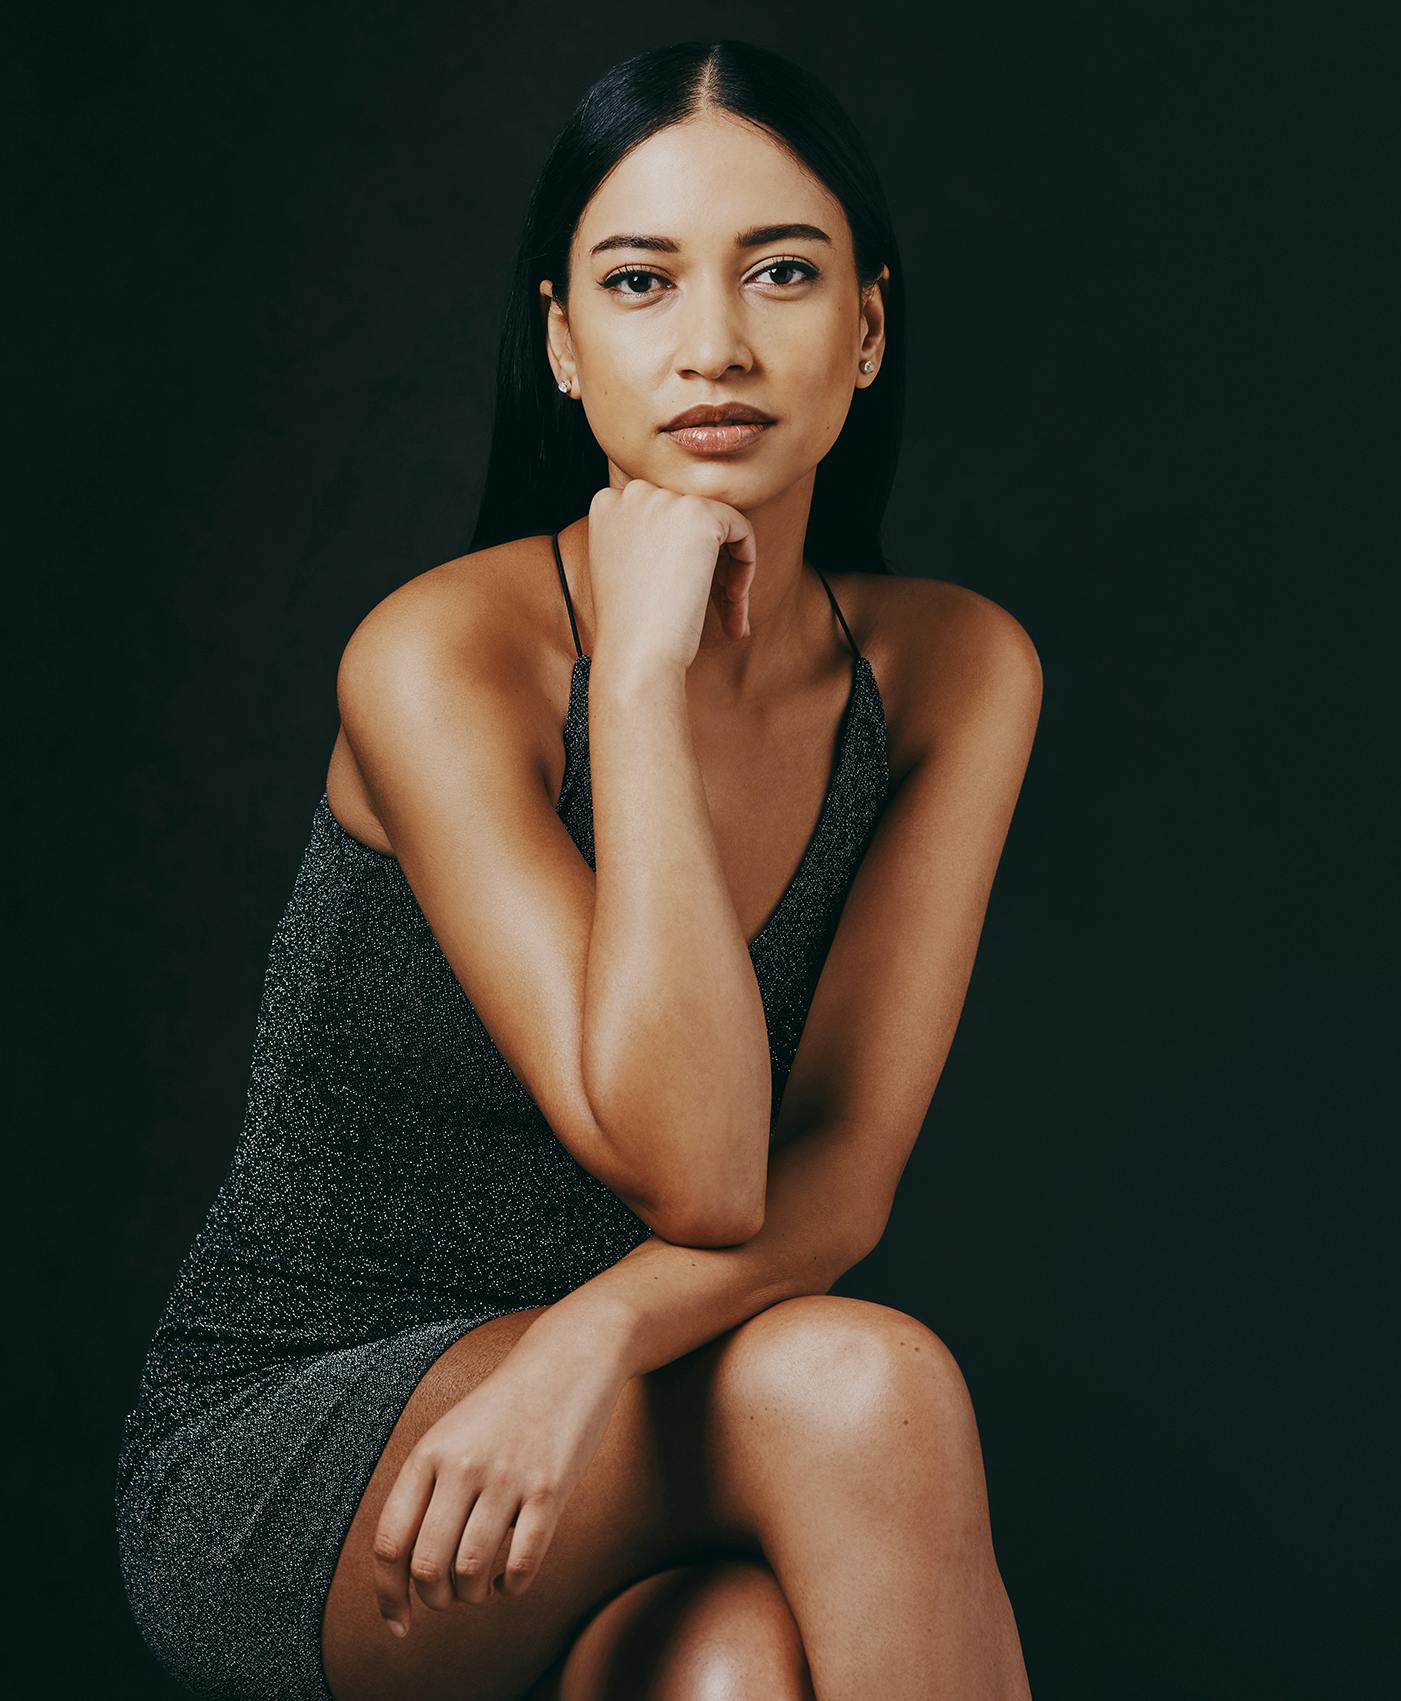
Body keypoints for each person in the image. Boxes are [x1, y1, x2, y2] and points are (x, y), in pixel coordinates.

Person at [115, 38, 1041, 1701]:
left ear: (870, 328)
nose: (715, 346)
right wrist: (635, 685)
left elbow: (833, 1177)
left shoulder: (953, 674)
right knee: (861, 1387)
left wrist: (585, 1343)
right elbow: (702, 1170)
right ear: (560, 341)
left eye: (782, 272)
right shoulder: (441, 658)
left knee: (735, 1672)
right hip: (312, 1448)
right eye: (638, 280)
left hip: (622, 1400)